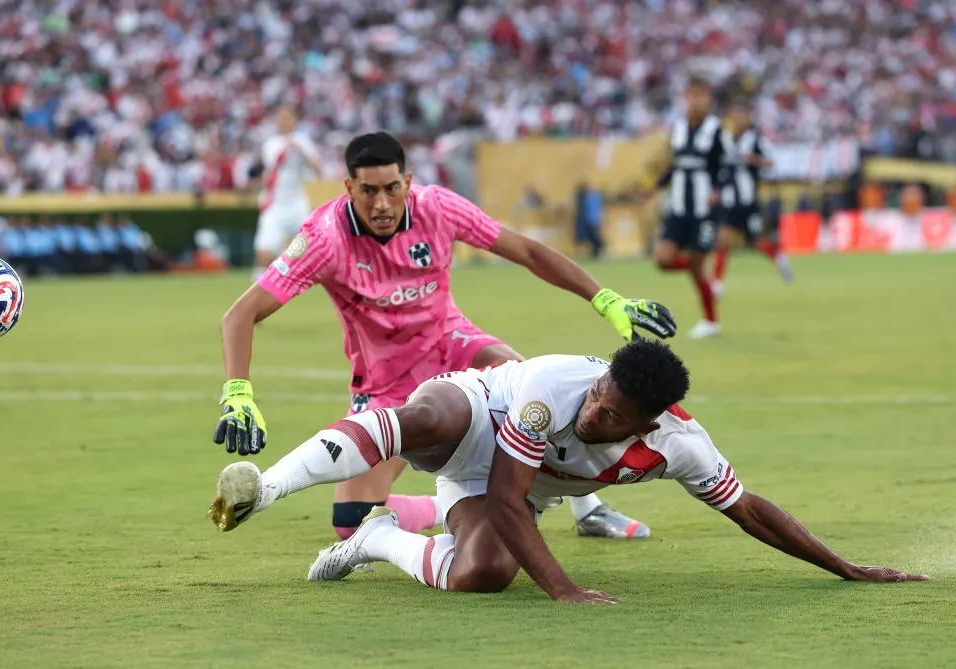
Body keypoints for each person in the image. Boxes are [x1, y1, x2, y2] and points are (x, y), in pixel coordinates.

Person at [214, 131, 677, 542]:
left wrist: (606, 300)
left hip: (455, 346)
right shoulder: (325, 238)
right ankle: (453, 507)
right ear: (349, 188)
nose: (381, 204)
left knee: (535, 389)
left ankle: (590, 508)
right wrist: (238, 393)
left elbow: (529, 252)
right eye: (368, 191)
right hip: (386, 380)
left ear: (408, 183)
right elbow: (241, 314)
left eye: (392, 189)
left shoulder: (437, 208)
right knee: (350, 521)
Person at [208, 340, 928, 603]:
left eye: (613, 417)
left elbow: (751, 511)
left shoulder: (681, 446)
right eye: (598, 396)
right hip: (477, 423)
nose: (594, 415)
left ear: (650, 424)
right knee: (425, 417)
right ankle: (267, 485)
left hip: (513, 484)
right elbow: (505, 493)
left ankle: (375, 536)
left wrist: (848, 569)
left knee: (481, 577)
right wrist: (565, 589)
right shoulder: (551, 385)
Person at [645, 76, 732, 339]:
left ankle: (711, 320)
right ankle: (704, 278)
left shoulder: (717, 131)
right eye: (691, 95)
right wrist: (656, 187)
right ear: (685, 98)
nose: (695, 101)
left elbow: (729, 165)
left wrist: (718, 188)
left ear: (708, 100)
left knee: (696, 265)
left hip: (704, 210)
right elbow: (676, 166)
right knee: (663, 260)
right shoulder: (679, 128)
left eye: (701, 96)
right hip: (679, 208)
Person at [712, 98, 792, 296]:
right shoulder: (724, 140)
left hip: (748, 202)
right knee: (723, 240)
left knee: (756, 243)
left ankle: (778, 257)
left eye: (741, 115)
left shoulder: (755, 140)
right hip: (729, 201)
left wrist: (753, 159)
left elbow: (770, 163)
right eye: (734, 115)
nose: (737, 119)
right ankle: (717, 283)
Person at [250, 105, 323, 281]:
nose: (284, 121)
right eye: (281, 117)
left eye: (288, 117)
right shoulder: (270, 144)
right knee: (263, 254)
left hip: (297, 204)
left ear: (295, 120)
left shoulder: (303, 142)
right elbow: (269, 173)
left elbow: (318, 170)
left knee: (313, 251)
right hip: (275, 205)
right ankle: (258, 296)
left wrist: (300, 151)